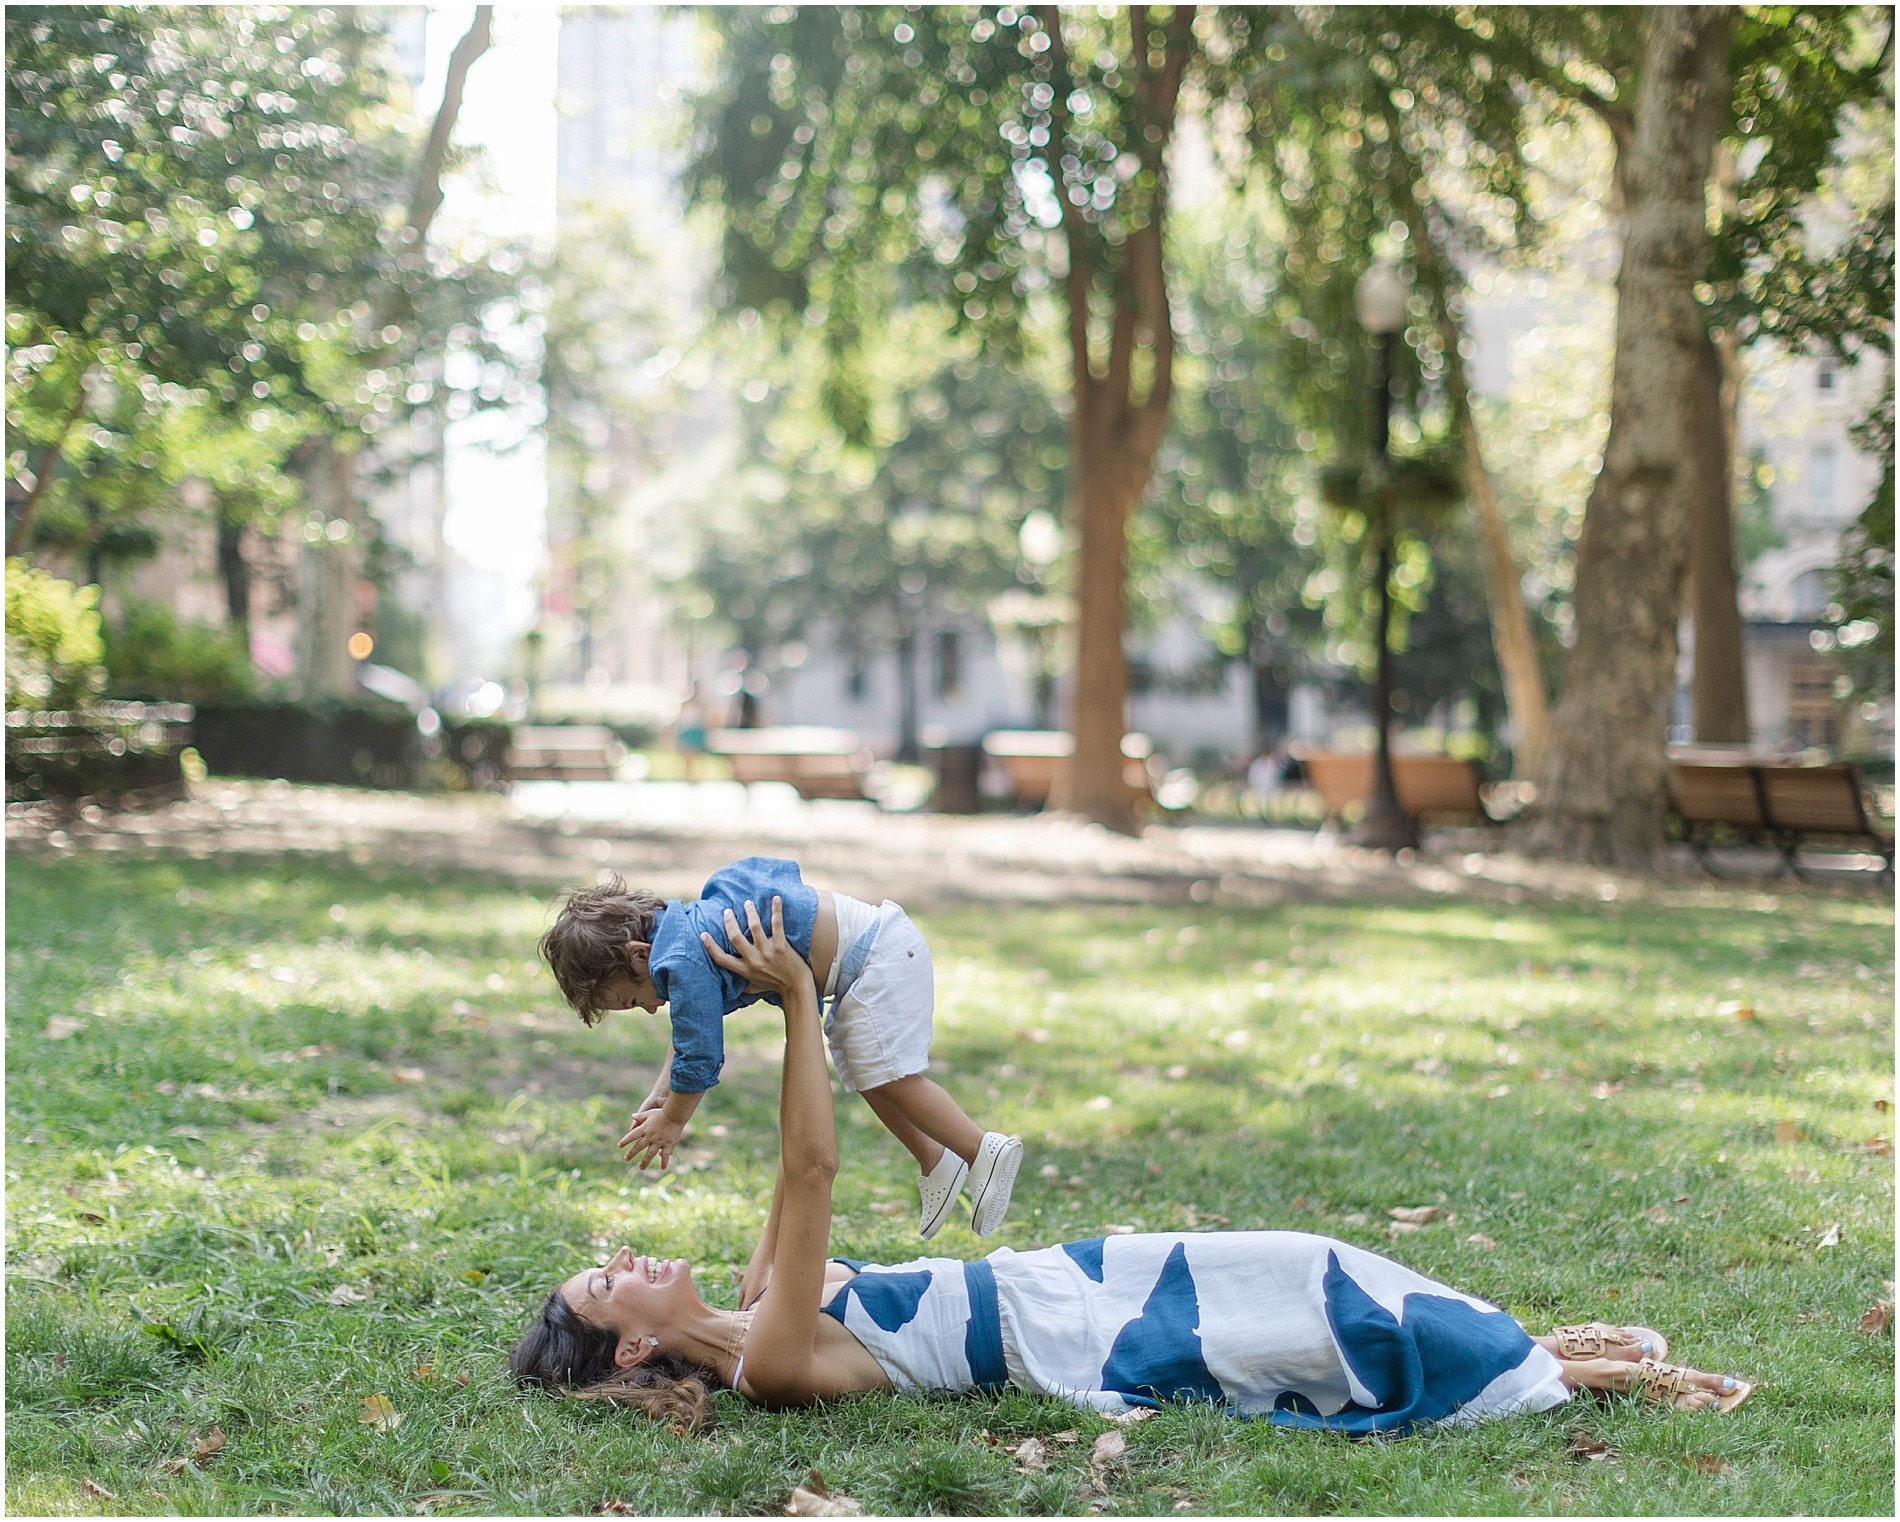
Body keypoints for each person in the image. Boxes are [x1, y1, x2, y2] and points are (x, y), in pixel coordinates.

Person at [511, 897, 1755, 1433]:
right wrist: (791, 1003)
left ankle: (1552, 1354)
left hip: (1068, 1275)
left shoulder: (754, 1294)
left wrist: (760, 1009)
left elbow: (794, 1179)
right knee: (1306, 1334)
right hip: (1079, 1343)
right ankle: (1586, 1377)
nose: (619, 1259)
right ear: (630, 1347)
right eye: (603, 1281)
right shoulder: (773, 1365)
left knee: (1311, 1265)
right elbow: (818, 1166)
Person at [539, 859, 1022, 1240]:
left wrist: (674, 1120)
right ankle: (937, 1159)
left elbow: (701, 1053)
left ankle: (982, 1149)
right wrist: (660, 1095)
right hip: (868, 961)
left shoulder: (681, 960)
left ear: (638, 956)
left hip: (879, 957)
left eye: (631, 999)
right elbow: (690, 1033)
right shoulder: (684, 936)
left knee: (887, 1075)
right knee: (862, 1070)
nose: (647, 1009)